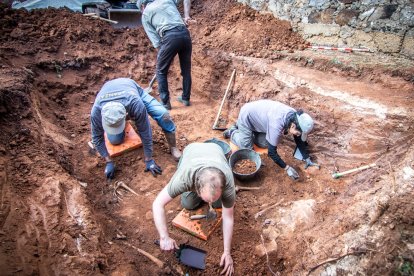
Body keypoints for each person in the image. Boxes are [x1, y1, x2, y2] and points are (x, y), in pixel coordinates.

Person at [153, 143, 235, 276]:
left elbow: (228, 217)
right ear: (196, 188)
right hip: (191, 152)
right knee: (188, 204)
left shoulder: (228, 181)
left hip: (216, 150)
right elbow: (157, 204)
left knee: (218, 205)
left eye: (214, 197)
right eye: (207, 199)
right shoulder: (184, 178)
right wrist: (164, 237)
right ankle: (201, 197)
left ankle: (213, 198)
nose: (209, 202)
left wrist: (227, 252)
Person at [90, 78, 182, 179]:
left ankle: (173, 146)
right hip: (109, 89)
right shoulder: (96, 112)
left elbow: (145, 131)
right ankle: (120, 124)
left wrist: (149, 159)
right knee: (115, 140)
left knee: (163, 115)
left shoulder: (135, 103)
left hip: (131, 89)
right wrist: (108, 161)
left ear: (125, 114)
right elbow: (97, 138)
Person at [223, 99, 319, 180]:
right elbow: (272, 153)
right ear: (293, 126)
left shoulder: (295, 117)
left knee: (265, 143)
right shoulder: (276, 126)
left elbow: (298, 139)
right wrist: (287, 168)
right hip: (247, 115)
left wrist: (306, 158)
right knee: (247, 146)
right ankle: (233, 131)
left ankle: (245, 131)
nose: (298, 135)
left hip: (259, 119)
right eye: (298, 133)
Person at [138, 0, 193, 110]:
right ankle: (186, 99)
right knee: (186, 70)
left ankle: (165, 103)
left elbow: (156, 41)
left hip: (169, 37)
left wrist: (165, 54)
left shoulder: (145, 14)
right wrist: (187, 15)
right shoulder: (166, 0)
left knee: (160, 71)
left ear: (142, 6)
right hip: (185, 34)